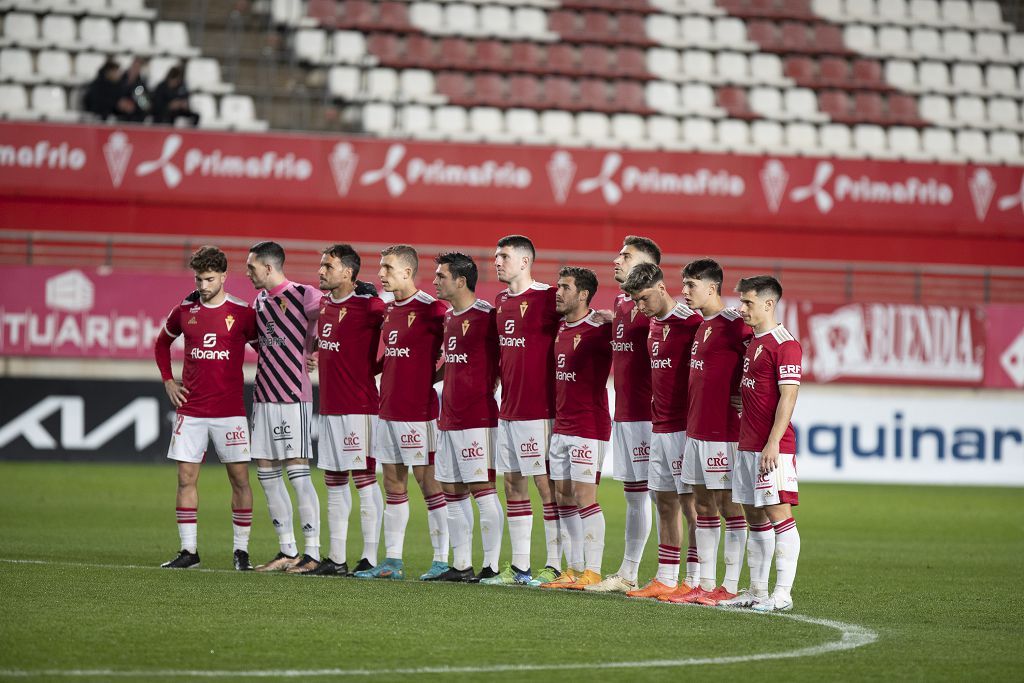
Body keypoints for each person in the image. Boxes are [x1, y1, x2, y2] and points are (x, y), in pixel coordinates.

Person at [154, 245, 258, 570]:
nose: (203, 285)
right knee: (185, 479)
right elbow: (161, 343)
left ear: (224, 276)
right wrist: (168, 381)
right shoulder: (184, 310)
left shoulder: (242, 313)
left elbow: (266, 348)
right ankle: (189, 551)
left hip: (230, 412)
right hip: (192, 410)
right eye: (199, 279)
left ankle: (241, 552)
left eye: (209, 279)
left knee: (240, 480)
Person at [354, 245, 450, 581]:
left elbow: (456, 355)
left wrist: (430, 379)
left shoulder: (434, 309)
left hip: (419, 413)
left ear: (408, 272)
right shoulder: (388, 309)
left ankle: (442, 560)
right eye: (381, 267)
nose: (381, 274)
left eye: (388, 268)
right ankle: (392, 561)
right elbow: (393, 356)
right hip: (387, 409)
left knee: (429, 485)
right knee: (393, 485)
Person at [481, 235, 562, 587]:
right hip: (508, 410)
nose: (497, 261)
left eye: (504, 256)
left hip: (539, 411)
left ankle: (556, 565)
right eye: (496, 256)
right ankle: (519, 568)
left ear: (525, 262)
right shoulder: (499, 301)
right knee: (513, 483)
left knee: (547, 488)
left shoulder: (549, 297)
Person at [619, 263, 702, 600]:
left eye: (643, 299)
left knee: (692, 506)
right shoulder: (651, 324)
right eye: (635, 301)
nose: (639, 307)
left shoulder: (692, 323)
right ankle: (666, 577)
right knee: (663, 502)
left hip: (685, 429)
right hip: (659, 428)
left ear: (661, 287)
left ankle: (696, 579)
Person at [673, 258, 753, 606]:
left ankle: (730, 585)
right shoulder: (700, 325)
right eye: (684, 284)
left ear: (712, 287)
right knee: (702, 504)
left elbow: (766, 357)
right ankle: (704, 584)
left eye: (691, 285)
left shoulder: (737, 324)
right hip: (696, 430)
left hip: (724, 432)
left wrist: (747, 395)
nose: (685, 291)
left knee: (728, 506)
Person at [304, 244, 386, 577]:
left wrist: (377, 369)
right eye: (321, 265)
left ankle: (369, 556)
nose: (321, 271)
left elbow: (403, 331)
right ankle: (336, 557)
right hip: (331, 407)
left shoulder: (370, 306)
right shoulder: (323, 305)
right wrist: (315, 350)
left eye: (328, 266)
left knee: (364, 480)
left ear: (348, 273)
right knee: (334, 481)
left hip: (360, 408)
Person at [586, 236, 660, 593]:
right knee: (634, 495)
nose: (616, 259)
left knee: (664, 496)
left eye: (626, 256)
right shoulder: (620, 302)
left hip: (652, 418)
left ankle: (676, 576)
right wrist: (609, 318)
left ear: (648, 265)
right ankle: (628, 573)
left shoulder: (658, 308)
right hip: (626, 415)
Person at [246, 241, 324, 573]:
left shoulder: (304, 293)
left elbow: (332, 318)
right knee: (266, 472)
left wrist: (319, 349)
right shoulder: (259, 301)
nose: (248, 273)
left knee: (298, 472)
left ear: (268, 267)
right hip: (263, 395)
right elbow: (256, 341)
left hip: (293, 395)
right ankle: (286, 550)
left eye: (251, 267)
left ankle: (313, 552)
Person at [728, 275, 802, 612]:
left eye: (748, 302)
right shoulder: (753, 343)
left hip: (772, 448)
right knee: (754, 517)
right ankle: (757, 592)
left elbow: (789, 396)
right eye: (742, 301)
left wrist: (772, 444)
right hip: (747, 444)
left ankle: (782, 594)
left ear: (769, 304)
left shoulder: (784, 344)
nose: (742, 308)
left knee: (779, 515)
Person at [431, 252, 504, 582]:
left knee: (482, 489)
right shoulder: (448, 316)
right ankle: (460, 565)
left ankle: (490, 566)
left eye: (441, 276)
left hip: (477, 418)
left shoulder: (488, 316)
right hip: (448, 417)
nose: (435, 281)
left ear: (460, 280)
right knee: (451, 490)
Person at [538, 267, 613, 590]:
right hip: (562, 426)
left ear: (583, 294)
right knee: (562, 496)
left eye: (565, 288)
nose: (558, 292)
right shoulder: (558, 327)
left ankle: (593, 571)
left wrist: (612, 318)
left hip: (589, 426)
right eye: (558, 286)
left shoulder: (601, 329)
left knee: (585, 497)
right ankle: (574, 567)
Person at [118, 57, 150, 123]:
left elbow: (145, 105)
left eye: (138, 67)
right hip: (119, 117)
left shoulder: (142, 85)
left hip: (135, 119)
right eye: (134, 66)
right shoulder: (120, 81)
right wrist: (120, 103)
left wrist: (136, 104)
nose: (135, 69)